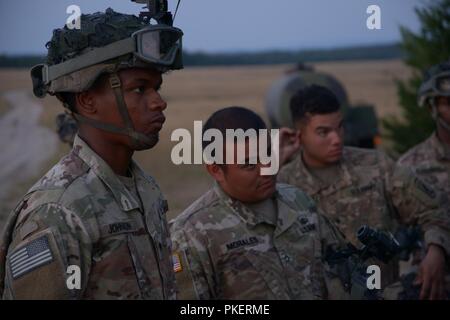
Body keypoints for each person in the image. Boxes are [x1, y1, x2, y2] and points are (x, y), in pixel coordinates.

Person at [0, 7, 183, 299]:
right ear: (86, 101)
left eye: (157, 88)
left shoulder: (144, 187)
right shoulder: (57, 211)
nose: (159, 102)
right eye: (140, 89)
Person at [277, 84, 450, 299]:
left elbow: (434, 209)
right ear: (299, 135)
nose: (337, 139)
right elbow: (236, 220)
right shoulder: (281, 184)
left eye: (339, 127)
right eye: (324, 132)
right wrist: (275, 158)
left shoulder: (376, 166)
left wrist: (436, 250)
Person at [170, 106, 353, 300]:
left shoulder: (298, 201)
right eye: (249, 165)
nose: (267, 169)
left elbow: (343, 269)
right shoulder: (191, 235)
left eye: (268, 155)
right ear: (216, 170)